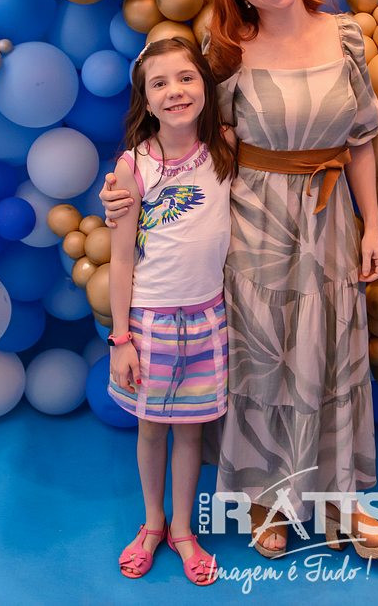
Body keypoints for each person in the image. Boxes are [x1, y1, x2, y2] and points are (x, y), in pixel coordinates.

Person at [103, 0, 378, 560]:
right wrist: (125, 188)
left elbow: (360, 140)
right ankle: (267, 498)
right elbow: (189, 141)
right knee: (264, 364)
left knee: (331, 358)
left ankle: (339, 502)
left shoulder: (346, 36)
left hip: (328, 221)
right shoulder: (228, 54)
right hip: (254, 224)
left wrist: (372, 226)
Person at [106, 37, 234, 586]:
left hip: (207, 319)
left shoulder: (226, 148)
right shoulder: (132, 166)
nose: (175, 91)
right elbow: (119, 259)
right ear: (145, 98)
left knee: (191, 432)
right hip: (149, 323)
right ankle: (153, 523)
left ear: (204, 84)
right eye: (159, 83)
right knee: (152, 429)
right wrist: (121, 339)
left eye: (186, 78)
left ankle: (183, 528)